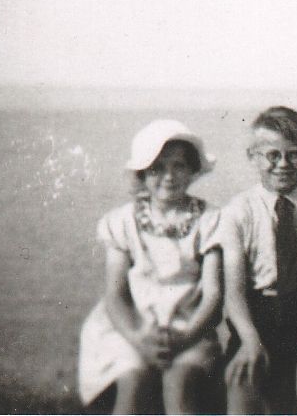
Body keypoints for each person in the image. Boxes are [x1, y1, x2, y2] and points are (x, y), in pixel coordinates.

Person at [78, 119, 222, 414]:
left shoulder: (211, 220)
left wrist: (185, 337)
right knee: (133, 383)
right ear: (142, 174)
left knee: (180, 384)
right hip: (132, 327)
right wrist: (138, 339)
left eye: (179, 166)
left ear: (193, 170)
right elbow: (115, 295)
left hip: (189, 327)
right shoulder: (122, 221)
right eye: (157, 168)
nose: (169, 177)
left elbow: (213, 296)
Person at [220, 106, 297, 414]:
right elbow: (233, 291)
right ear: (253, 156)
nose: (283, 164)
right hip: (258, 313)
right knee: (241, 384)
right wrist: (249, 340)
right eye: (272, 155)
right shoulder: (238, 211)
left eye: (294, 154)